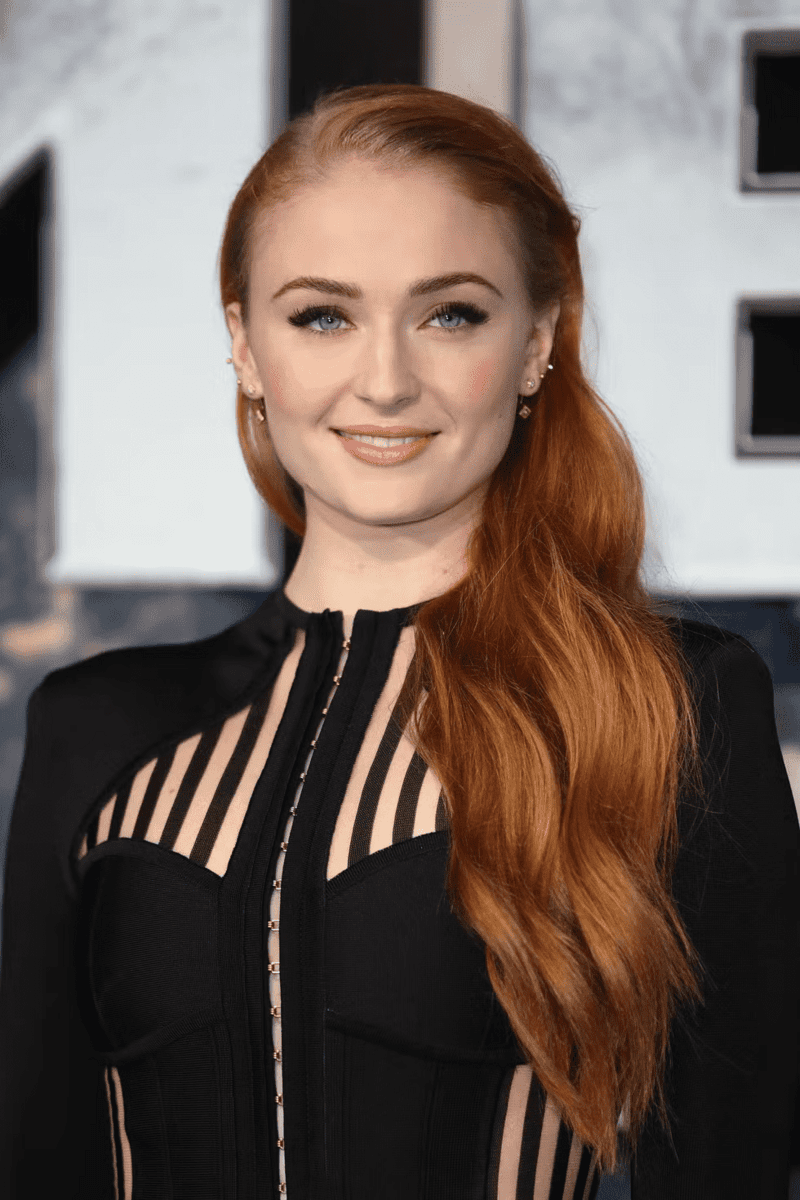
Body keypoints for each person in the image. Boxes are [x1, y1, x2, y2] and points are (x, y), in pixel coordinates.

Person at [1, 83, 798, 1200]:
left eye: (449, 314)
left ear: (536, 344)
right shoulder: (95, 729)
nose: (383, 382)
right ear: (244, 344)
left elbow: (732, 1164)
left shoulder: (672, 705)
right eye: (321, 316)